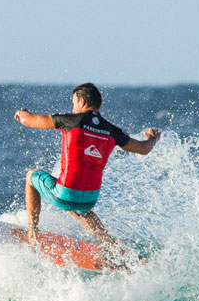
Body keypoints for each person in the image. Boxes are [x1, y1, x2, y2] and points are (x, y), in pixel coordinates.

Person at [14, 83, 161, 248]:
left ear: (82, 101)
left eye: (74, 102)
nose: (73, 107)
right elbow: (144, 148)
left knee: (31, 176)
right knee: (79, 209)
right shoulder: (112, 130)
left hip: (65, 195)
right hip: (90, 199)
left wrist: (21, 112)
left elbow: (28, 120)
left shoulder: (70, 120)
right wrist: (152, 138)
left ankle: (32, 234)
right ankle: (110, 243)